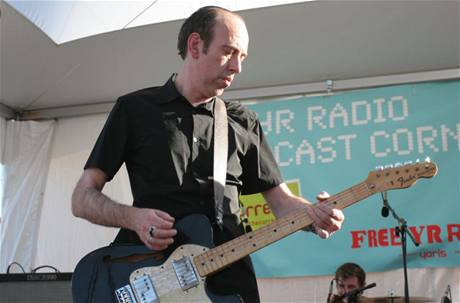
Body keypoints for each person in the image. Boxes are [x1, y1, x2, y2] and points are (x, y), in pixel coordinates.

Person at [71, 6, 344, 303]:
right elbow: (82, 198)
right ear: (195, 45)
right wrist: (133, 218)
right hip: (153, 280)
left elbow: (281, 203)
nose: (237, 67)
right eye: (229, 52)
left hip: (229, 280)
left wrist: (314, 215)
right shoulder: (135, 109)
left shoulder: (243, 121)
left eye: (243, 57)